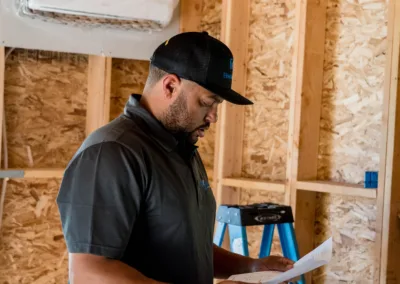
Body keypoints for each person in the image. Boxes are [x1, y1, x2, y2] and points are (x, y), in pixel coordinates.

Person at [56, 31, 294, 284]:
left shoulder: (181, 148)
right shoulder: (113, 152)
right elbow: (90, 274)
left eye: (217, 106)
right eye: (206, 102)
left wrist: (252, 266)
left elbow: (187, 250)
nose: (213, 116)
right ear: (170, 86)